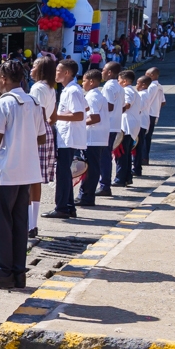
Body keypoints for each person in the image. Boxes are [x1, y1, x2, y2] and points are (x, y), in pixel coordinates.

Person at [0, 60, 45, 289]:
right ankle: (18, 271)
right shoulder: (34, 102)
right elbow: (41, 137)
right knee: (19, 223)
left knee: (0, 223)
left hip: (5, 171)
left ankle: (1, 271)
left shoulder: (3, 103)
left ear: (4, 79)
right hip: (26, 171)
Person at [45, 58, 87, 220]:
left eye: (58, 71)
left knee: (62, 174)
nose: (55, 73)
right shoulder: (69, 90)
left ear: (67, 73)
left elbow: (78, 114)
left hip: (69, 137)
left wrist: (55, 116)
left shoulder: (72, 90)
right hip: (66, 137)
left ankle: (61, 207)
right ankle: (68, 206)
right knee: (64, 173)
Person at [78, 64, 118, 206]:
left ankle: (86, 197)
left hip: (93, 137)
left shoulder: (93, 96)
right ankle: (85, 195)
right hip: (98, 137)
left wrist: (79, 123)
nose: (82, 83)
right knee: (93, 167)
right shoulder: (97, 95)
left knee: (90, 168)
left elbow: (95, 117)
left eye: (84, 80)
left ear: (92, 82)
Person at [27, 56, 58, 238]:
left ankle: (29, 224)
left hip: (36, 131)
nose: (31, 69)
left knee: (28, 178)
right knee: (36, 179)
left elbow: (36, 113)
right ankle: (33, 223)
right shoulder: (50, 88)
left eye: (34, 66)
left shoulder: (37, 88)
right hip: (46, 130)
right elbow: (52, 117)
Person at [112, 70, 141, 187]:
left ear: (124, 81)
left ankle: (120, 178)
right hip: (132, 125)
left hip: (126, 125)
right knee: (126, 153)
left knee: (121, 154)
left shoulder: (126, 90)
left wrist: (115, 112)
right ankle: (127, 177)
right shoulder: (133, 91)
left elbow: (127, 105)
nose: (118, 83)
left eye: (119, 80)